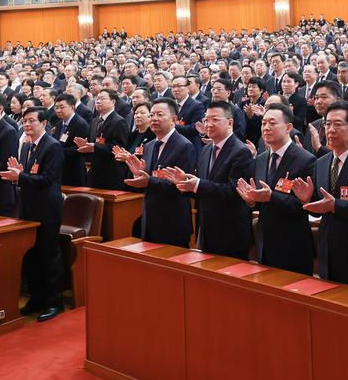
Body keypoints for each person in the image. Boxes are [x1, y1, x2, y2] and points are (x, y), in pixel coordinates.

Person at [292, 102, 348, 288]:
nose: (330, 130)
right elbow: (320, 206)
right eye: (327, 124)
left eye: (338, 124)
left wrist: (335, 205)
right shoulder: (321, 162)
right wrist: (307, 199)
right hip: (327, 249)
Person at [164, 100, 253, 259]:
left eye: (215, 119)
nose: (209, 124)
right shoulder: (205, 150)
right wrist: (185, 183)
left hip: (230, 231)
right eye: (206, 120)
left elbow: (233, 191)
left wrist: (197, 184)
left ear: (230, 123)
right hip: (206, 227)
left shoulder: (241, 151)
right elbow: (202, 189)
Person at [1, 107, 65, 322]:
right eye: (24, 121)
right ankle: (37, 299)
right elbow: (27, 177)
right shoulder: (27, 146)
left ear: (44, 123)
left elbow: (47, 179)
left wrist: (20, 177)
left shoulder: (53, 146)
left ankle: (54, 302)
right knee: (31, 256)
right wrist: (18, 177)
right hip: (28, 208)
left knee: (49, 256)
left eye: (31, 121)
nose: (27, 125)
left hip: (47, 209)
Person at [240, 102, 315, 274]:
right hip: (265, 242)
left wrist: (271, 197)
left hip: (293, 244)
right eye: (263, 123)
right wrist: (252, 201)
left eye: (272, 123)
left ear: (288, 127)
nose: (266, 127)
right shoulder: (261, 159)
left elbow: (304, 205)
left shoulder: (305, 160)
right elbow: (261, 201)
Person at [117, 99, 195, 247]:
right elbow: (147, 180)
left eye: (160, 114)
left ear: (174, 119)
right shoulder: (149, 145)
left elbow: (181, 187)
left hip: (172, 221)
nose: (154, 119)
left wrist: (148, 181)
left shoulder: (184, 146)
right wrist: (138, 174)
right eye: (152, 115)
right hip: (149, 219)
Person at [83, 88, 131, 189]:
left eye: (102, 98)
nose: (98, 101)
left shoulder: (119, 121)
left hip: (110, 174)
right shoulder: (94, 121)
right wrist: (85, 146)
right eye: (97, 99)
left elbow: (118, 147)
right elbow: (92, 142)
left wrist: (94, 147)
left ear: (113, 102)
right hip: (94, 172)